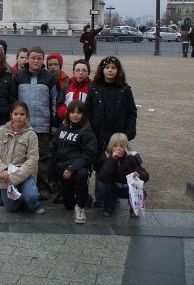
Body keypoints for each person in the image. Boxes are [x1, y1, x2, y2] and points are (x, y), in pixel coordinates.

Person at [85, 56, 137, 206]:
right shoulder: (94, 88)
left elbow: (131, 112)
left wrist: (129, 132)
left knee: (117, 166)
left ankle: (113, 199)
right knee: (102, 166)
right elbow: (87, 111)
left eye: (113, 68)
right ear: (102, 69)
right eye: (107, 67)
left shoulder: (125, 90)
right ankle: (101, 199)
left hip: (118, 136)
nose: (110, 70)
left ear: (118, 71)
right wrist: (90, 134)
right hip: (99, 134)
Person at [16, 46, 57, 200]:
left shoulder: (50, 78)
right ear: (27, 59)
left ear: (43, 60)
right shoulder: (18, 76)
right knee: (21, 156)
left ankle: (43, 186)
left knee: (43, 158)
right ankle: (21, 184)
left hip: (43, 126)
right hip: (22, 126)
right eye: (33, 58)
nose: (36, 61)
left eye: (39, 58)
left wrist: (53, 125)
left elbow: (54, 103)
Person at [0, 101, 45, 214]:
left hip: (23, 174)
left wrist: (15, 177)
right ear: (11, 115)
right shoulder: (1, 131)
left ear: (27, 116)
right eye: (16, 114)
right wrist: (2, 169)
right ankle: (17, 198)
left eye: (22, 114)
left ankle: (34, 204)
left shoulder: (31, 135)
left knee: (32, 196)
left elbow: (33, 159)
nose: (19, 117)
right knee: (10, 209)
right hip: (5, 175)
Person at [49, 100, 97, 224]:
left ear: (83, 115)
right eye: (72, 112)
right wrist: (52, 171)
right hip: (62, 167)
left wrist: (71, 168)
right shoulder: (61, 128)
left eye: (78, 112)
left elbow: (89, 155)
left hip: (77, 167)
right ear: (68, 113)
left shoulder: (87, 131)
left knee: (82, 174)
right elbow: (54, 150)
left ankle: (81, 206)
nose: (75, 115)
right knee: (68, 205)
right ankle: (77, 200)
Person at [97, 132, 149, 217]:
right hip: (113, 186)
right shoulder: (106, 156)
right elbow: (103, 177)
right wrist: (112, 159)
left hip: (129, 187)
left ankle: (134, 208)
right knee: (103, 185)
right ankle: (109, 207)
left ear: (126, 147)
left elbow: (146, 176)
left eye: (121, 146)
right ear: (111, 146)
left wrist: (139, 173)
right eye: (115, 146)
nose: (118, 149)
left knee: (140, 191)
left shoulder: (132, 157)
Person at [55, 59, 91, 127]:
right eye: (77, 70)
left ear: (88, 73)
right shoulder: (66, 87)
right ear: (73, 72)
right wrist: (66, 113)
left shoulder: (92, 88)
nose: (80, 73)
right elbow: (59, 104)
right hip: (67, 124)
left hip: (85, 125)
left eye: (84, 70)